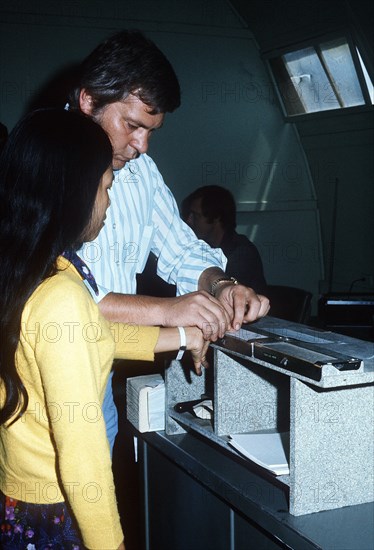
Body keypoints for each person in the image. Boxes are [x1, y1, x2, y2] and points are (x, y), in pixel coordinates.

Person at [0, 109, 208, 549]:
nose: (109, 204)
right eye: (105, 189)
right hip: (57, 511)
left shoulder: (32, 271)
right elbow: (83, 461)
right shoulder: (62, 297)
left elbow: (91, 337)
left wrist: (183, 336)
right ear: (74, 194)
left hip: (21, 495)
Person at [67, 30, 270, 450]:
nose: (141, 145)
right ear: (89, 101)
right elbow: (72, 306)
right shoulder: (43, 160)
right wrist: (172, 312)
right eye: (133, 125)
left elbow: (181, 248)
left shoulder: (139, 170)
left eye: (151, 131)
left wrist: (221, 286)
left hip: (100, 375)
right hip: (48, 385)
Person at [183, 185, 268, 294]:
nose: (188, 221)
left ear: (216, 217)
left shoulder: (240, 254)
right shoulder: (203, 249)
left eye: (196, 216)